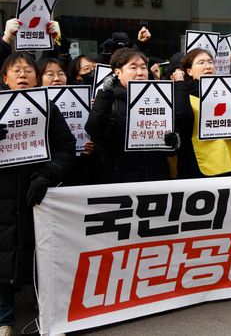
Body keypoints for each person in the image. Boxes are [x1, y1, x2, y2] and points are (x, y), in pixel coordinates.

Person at [0, 52, 76, 336]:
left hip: (38, 194)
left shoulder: (49, 109)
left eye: (28, 70)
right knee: (3, 256)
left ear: (36, 76)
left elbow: (66, 148)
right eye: (15, 70)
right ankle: (4, 320)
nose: (22, 75)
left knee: (41, 256)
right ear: (4, 78)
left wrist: (47, 175)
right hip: (3, 198)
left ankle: (47, 316)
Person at [85, 48, 178, 183]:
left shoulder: (160, 99)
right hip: (122, 182)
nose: (140, 73)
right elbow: (96, 132)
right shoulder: (108, 100)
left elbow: (169, 149)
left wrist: (173, 141)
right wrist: (105, 96)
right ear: (118, 72)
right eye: (133, 68)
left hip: (157, 180)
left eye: (143, 68)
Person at [174, 48, 231, 178]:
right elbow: (182, 119)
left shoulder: (226, 94)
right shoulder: (184, 95)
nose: (207, 66)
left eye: (210, 62)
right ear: (189, 71)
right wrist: (179, 84)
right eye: (201, 63)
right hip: (201, 165)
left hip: (229, 162)